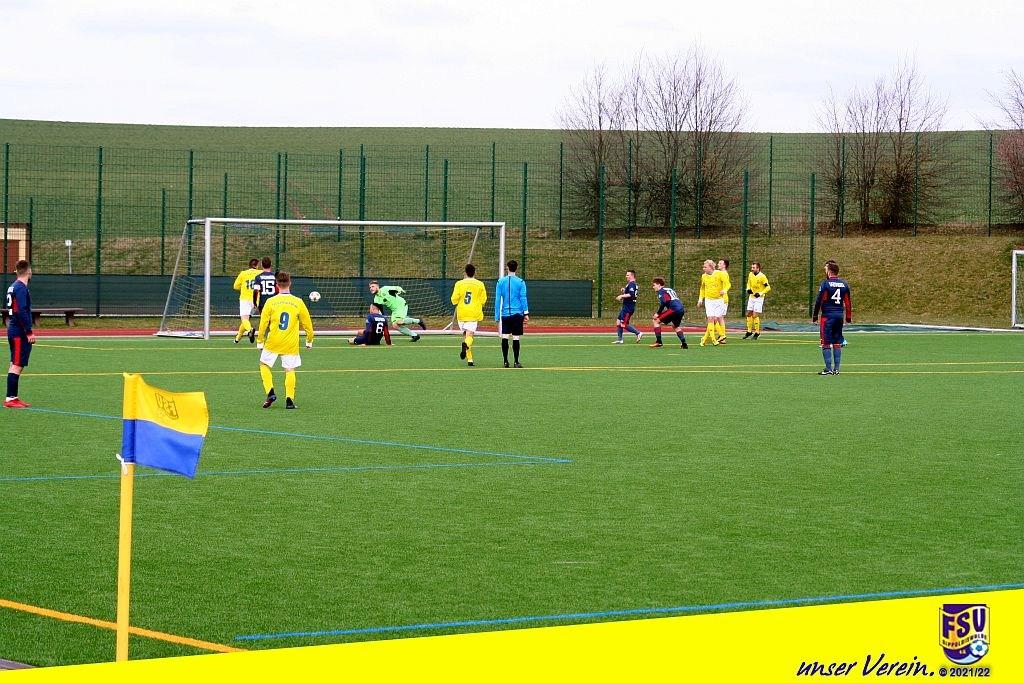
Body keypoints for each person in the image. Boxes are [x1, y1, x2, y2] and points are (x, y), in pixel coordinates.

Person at [256, 271, 314, 408]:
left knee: (264, 365)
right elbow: (308, 324)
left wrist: (260, 341)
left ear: (277, 285)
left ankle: (270, 392)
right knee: (290, 370)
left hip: (273, 341)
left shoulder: (270, 302)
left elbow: (263, 324)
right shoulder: (298, 302)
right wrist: (309, 340)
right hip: (290, 344)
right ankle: (289, 400)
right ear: (290, 283)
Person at [811, 261, 852, 375]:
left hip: (827, 316)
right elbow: (848, 302)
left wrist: (815, 316)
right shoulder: (844, 284)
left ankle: (828, 368)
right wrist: (848, 317)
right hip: (839, 316)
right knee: (837, 341)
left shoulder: (826, 284)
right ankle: (836, 369)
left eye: (825, 269)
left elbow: (819, 300)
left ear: (829, 271)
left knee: (825, 342)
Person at [5, 260, 35, 409]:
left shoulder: (13, 286)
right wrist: (29, 332)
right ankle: (10, 399)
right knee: (16, 365)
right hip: (19, 332)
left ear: (17, 271)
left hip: (14, 329)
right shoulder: (21, 288)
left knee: (15, 363)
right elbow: (21, 311)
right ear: (29, 271)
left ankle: (13, 397)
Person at [450, 264, 487, 367]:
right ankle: (465, 345)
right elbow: (483, 300)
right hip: (473, 313)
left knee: (466, 335)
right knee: (469, 336)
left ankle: (470, 360)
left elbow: (454, 300)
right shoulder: (480, 284)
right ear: (475, 272)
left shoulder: (459, 284)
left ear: (465, 273)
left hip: (462, 313)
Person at [494, 259, 529, 368]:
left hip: (505, 314)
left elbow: (497, 300)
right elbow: (523, 298)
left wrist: (497, 316)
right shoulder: (521, 282)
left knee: (505, 337)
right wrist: (526, 313)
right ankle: (516, 362)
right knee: (516, 338)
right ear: (516, 268)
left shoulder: (500, 282)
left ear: (507, 268)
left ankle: (505, 361)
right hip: (517, 314)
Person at [649, 277, 688, 349]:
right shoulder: (669, 289)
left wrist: (658, 313)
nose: (653, 287)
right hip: (681, 309)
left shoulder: (661, 291)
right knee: (675, 326)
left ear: (659, 285)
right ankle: (684, 343)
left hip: (673, 309)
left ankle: (659, 342)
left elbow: (664, 302)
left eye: (654, 285)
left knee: (656, 321)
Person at [697, 259, 726, 347]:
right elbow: (702, 288)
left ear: (710, 267)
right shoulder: (704, 276)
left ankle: (704, 339)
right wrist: (700, 299)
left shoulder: (719, 274)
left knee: (716, 319)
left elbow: (728, 284)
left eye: (705, 267)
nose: (703, 268)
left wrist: (724, 290)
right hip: (709, 300)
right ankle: (714, 339)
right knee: (710, 318)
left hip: (719, 300)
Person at [232, 258, 261, 344]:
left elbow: (235, 286)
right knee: (246, 320)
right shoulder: (260, 273)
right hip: (256, 301)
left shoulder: (243, 273)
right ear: (257, 265)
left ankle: (250, 330)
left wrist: (243, 287)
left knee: (244, 319)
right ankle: (237, 339)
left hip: (245, 300)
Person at [743, 261, 772, 340]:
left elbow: (768, 287)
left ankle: (757, 332)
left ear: (758, 268)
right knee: (749, 314)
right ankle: (749, 331)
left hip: (759, 298)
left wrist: (760, 293)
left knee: (755, 315)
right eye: (752, 267)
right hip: (752, 297)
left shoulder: (762, 276)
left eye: (753, 267)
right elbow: (748, 283)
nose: (752, 269)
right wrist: (748, 289)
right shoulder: (750, 274)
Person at [613, 269, 643, 344]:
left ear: (632, 276)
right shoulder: (630, 284)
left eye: (627, 275)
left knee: (624, 324)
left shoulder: (632, 284)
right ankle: (620, 339)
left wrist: (621, 296)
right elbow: (630, 293)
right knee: (618, 321)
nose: (626, 276)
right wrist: (624, 290)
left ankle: (638, 333)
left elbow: (631, 294)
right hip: (626, 306)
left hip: (628, 307)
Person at [716, 259, 731, 342]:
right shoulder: (719, 273)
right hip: (718, 298)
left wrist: (724, 290)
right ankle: (721, 335)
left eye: (720, 263)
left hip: (723, 299)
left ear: (724, 265)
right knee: (718, 318)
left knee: (719, 317)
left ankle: (723, 336)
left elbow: (728, 284)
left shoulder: (724, 274)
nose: (718, 264)